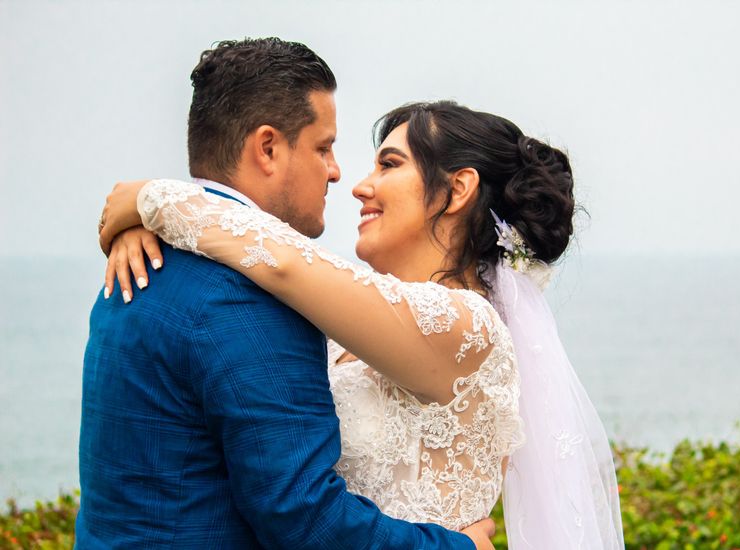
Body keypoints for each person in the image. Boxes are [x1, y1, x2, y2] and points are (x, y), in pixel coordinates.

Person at [99, 99, 624, 548]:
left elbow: (282, 262)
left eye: (389, 165)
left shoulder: (468, 326)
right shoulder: (345, 328)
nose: (359, 186)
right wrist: (147, 229)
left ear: (460, 187)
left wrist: (152, 199)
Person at [79, 38, 494, 549]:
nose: (340, 173)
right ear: (269, 148)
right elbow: (303, 517)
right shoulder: (252, 299)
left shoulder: (140, 264)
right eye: (323, 147)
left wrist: (150, 202)